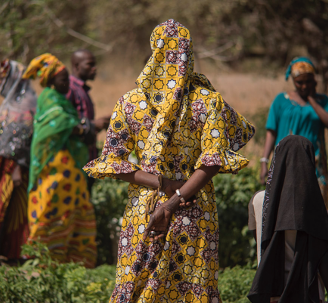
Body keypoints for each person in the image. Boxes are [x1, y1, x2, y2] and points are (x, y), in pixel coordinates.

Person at [84, 19, 255, 302]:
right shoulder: (208, 101)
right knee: (192, 287)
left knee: (137, 287)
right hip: (194, 205)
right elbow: (214, 160)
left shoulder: (129, 102)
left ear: (155, 52)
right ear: (189, 52)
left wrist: (160, 185)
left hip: (145, 211)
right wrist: (175, 197)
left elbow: (113, 163)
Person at [22, 53, 97, 268]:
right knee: (51, 211)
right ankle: (45, 260)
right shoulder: (49, 98)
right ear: (50, 81)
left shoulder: (59, 100)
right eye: (62, 80)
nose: (66, 84)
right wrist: (85, 127)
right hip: (52, 171)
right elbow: (58, 122)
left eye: (66, 79)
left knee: (73, 213)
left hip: (67, 172)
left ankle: (74, 261)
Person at [248, 136, 328, 303]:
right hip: (308, 293)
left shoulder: (258, 200)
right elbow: (321, 255)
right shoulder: (313, 208)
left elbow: (261, 242)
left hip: (271, 292)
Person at [260, 57, 328, 206]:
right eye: (299, 82)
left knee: (314, 211)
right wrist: (264, 160)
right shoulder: (281, 100)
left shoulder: (322, 102)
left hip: (314, 165)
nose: (304, 86)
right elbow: (271, 131)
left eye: (308, 81)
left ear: (314, 81)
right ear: (293, 81)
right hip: (285, 164)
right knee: (286, 209)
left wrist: (311, 99)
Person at [0, 59, 37, 260]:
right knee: (4, 207)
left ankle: (16, 253)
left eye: (3, 79)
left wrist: (17, 168)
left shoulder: (26, 104)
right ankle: (3, 250)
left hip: (16, 169)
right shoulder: (15, 101)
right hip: (7, 166)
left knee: (14, 210)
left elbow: (24, 141)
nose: (0, 83)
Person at [67, 49, 111, 192]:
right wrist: (93, 125)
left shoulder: (82, 90)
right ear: (77, 66)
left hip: (87, 159)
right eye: (90, 64)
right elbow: (65, 123)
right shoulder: (70, 89)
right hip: (75, 161)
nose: (94, 68)